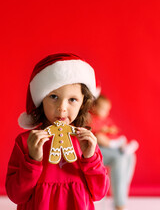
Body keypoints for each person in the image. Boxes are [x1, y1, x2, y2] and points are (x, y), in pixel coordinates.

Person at [5, 53, 109, 210]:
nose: (62, 107)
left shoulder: (87, 143)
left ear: (83, 103)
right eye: (53, 96)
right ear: (41, 101)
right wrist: (32, 160)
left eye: (72, 99)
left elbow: (100, 193)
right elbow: (16, 195)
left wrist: (90, 159)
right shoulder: (26, 142)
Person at [90, 94, 139, 210]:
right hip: (98, 147)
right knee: (120, 159)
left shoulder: (105, 120)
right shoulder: (91, 118)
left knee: (130, 156)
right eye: (103, 109)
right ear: (94, 107)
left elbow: (113, 130)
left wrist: (111, 131)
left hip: (109, 145)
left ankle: (121, 189)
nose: (106, 112)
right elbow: (97, 135)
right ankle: (119, 203)